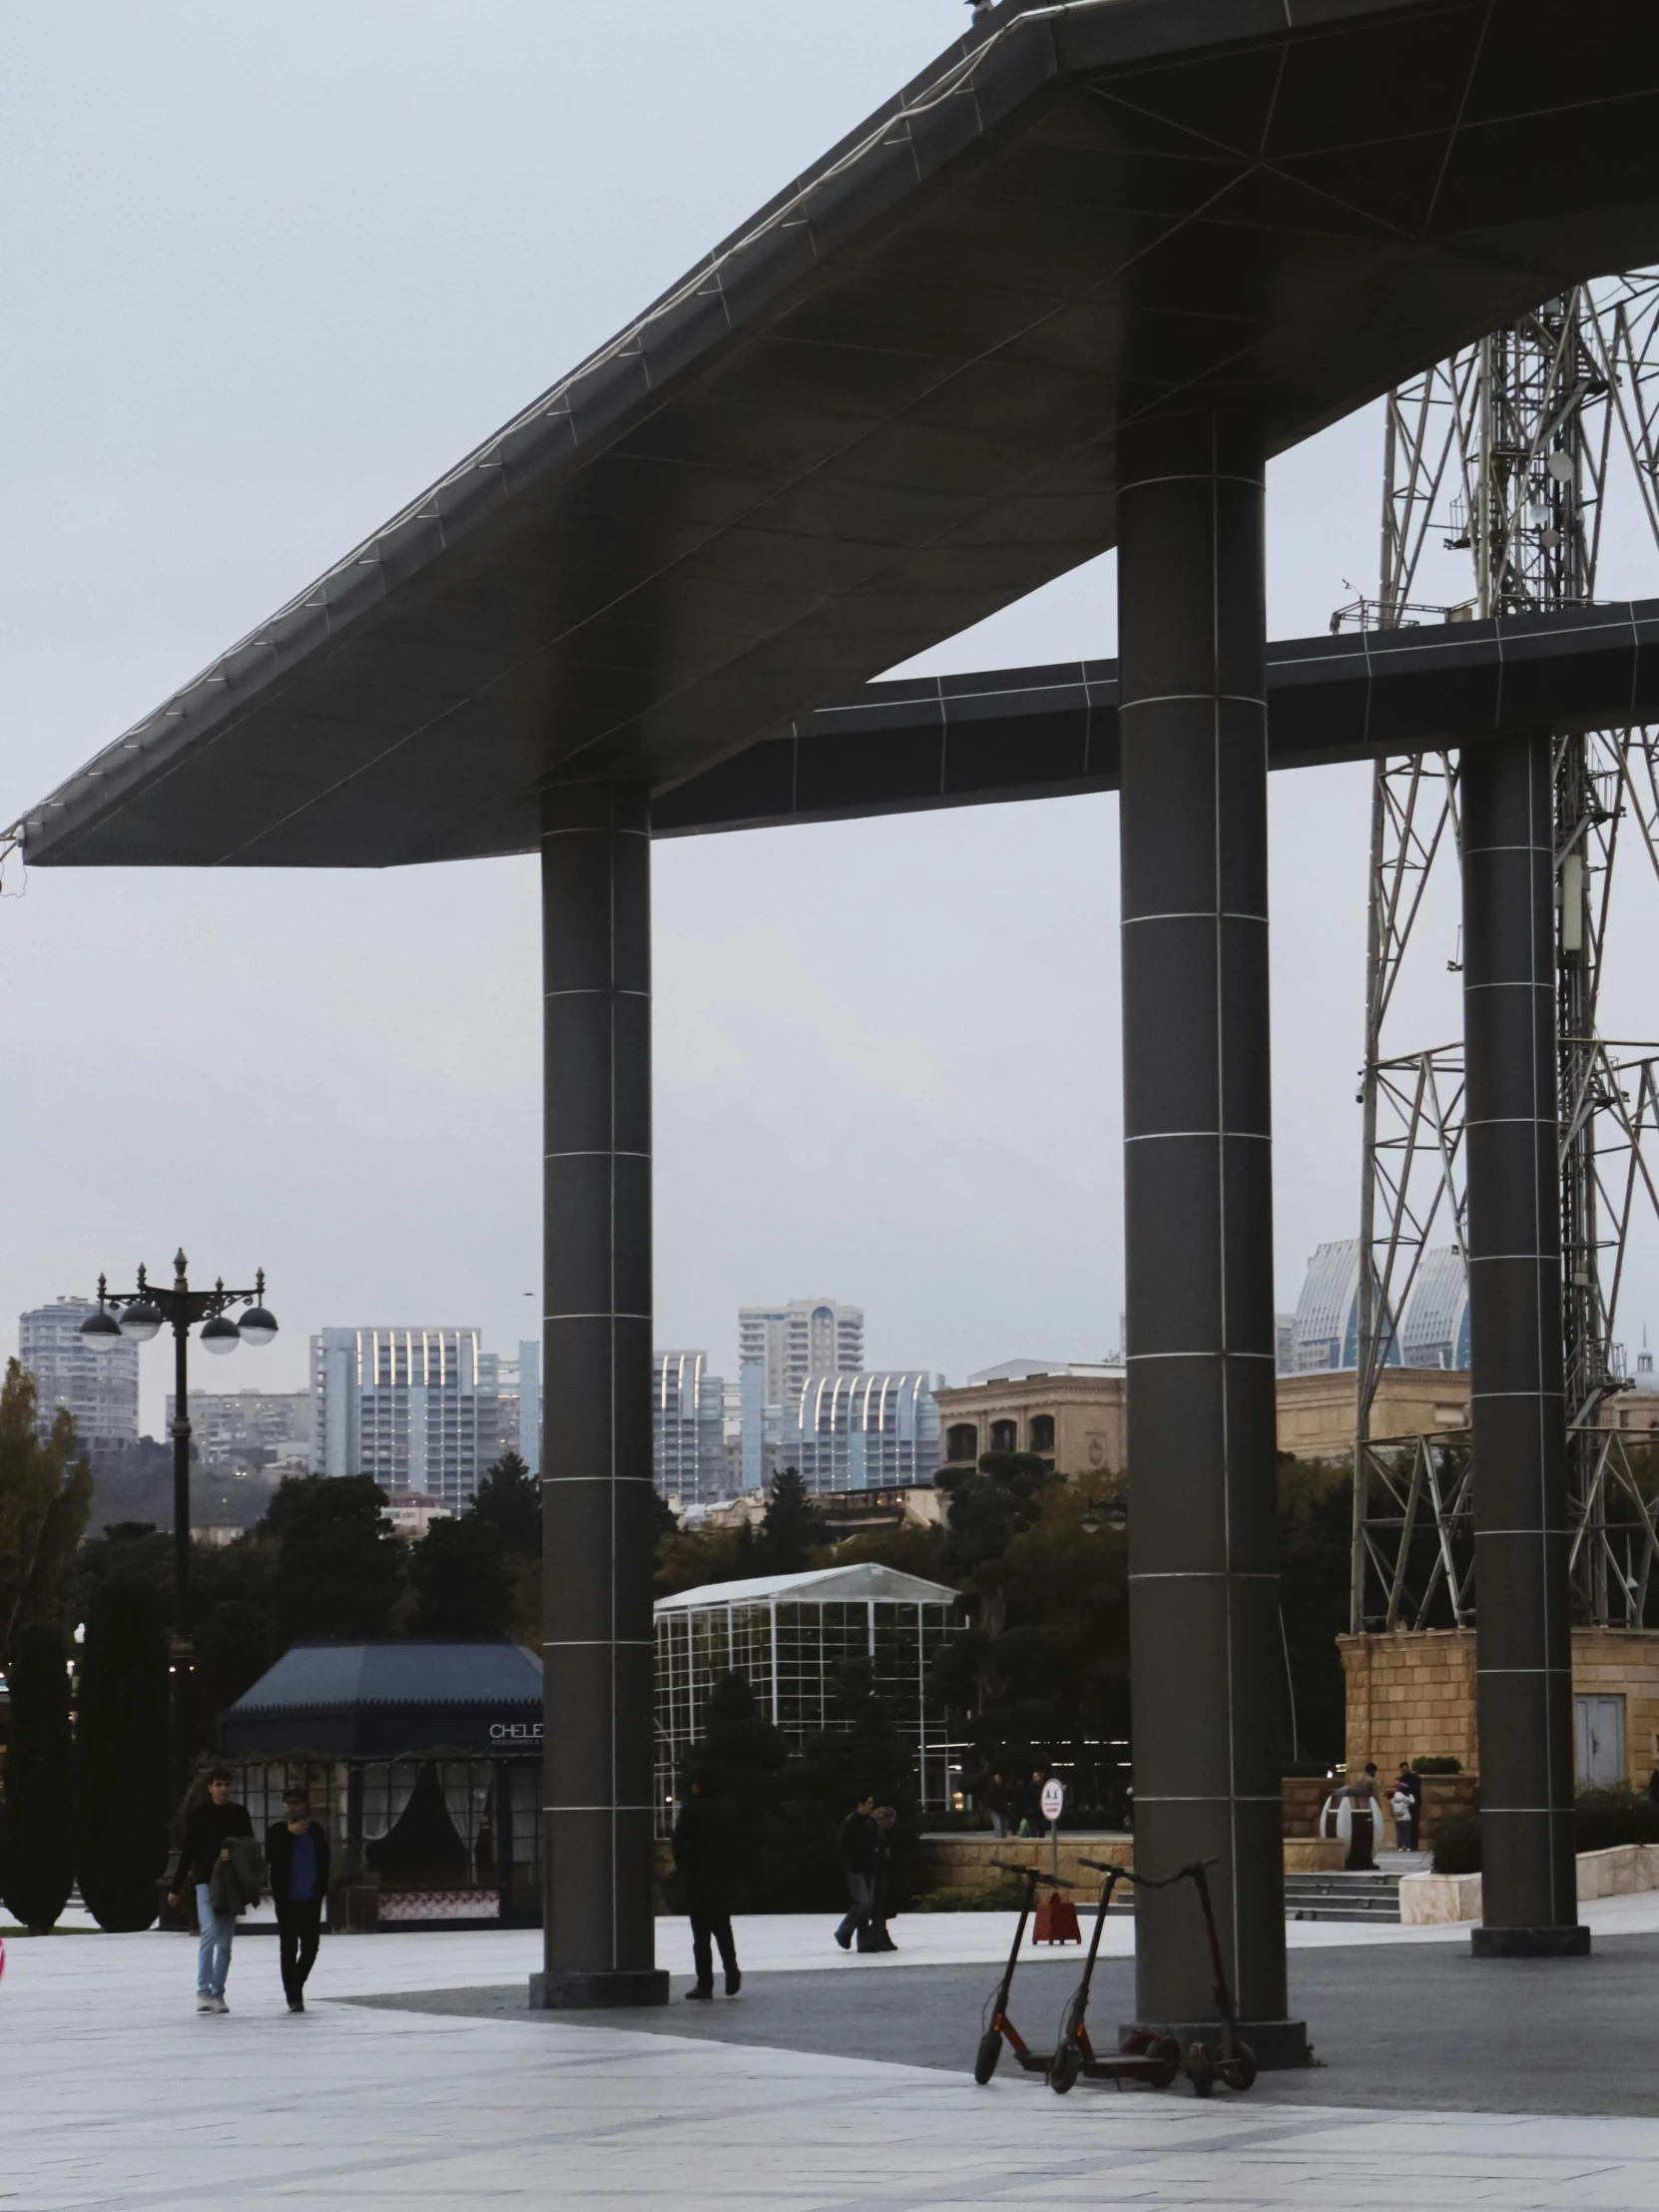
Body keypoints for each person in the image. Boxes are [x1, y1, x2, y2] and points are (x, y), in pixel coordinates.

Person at [168, 1766, 255, 2014]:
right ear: (210, 1787)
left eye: (227, 1785)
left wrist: (234, 1850)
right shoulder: (199, 1814)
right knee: (209, 1931)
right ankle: (203, 1991)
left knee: (225, 1942)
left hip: (230, 1884)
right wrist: (175, 1888)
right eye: (218, 1784)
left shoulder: (239, 1814)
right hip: (205, 1881)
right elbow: (188, 1852)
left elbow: (250, 1847)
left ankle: (218, 1993)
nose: (223, 1789)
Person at [673, 1774, 741, 1998]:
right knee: (723, 1926)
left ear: (698, 1784)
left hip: (698, 1877)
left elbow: (680, 1842)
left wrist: (684, 1869)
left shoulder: (691, 1809)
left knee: (700, 1933)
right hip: (723, 1877)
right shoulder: (729, 1807)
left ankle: (705, 1983)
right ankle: (731, 1970)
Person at [266, 1786, 331, 2013]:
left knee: (311, 1946)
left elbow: (324, 1859)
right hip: (287, 1899)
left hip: (310, 1897)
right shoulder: (276, 1831)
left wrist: (321, 1889)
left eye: (296, 1803)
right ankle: (293, 1996)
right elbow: (271, 1857)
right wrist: (289, 1835)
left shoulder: (315, 1831)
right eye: (288, 1803)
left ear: (304, 1806)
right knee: (289, 1946)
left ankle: (296, 1984)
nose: (292, 1807)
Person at [833, 1793, 879, 1951]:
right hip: (855, 1868)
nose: (871, 1805)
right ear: (859, 1804)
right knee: (862, 1902)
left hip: (869, 1867)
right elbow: (843, 1846)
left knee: (867, 1906)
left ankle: (864, 1942)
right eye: (869, 1802)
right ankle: (843, 1931)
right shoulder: (851, 1822)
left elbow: (876, 1841)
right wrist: (850, 1863)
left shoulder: (870, 1822)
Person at [863, 1805, 898, 1953]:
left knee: (882, 1906)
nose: (891, 1826)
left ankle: (880, 1934)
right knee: (877, 1906)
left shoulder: (882, 1835)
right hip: (874, 1872)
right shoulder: (874, 1835)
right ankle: (876, 1936)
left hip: (882, 1872)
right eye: (889, 1822)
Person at [1394, 1762, 1422, 1852]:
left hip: (1414, 1804)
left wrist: (1406, 1787)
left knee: (1414, 1824)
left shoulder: (1415, 1778)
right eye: (1402, 1770)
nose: (1403, 1771)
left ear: (1408, 1768)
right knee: (1405, 1826)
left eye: (1405, 1769)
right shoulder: (1401, 1779)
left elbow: (1416, 1790)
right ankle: (1406, 1844)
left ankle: (1414, 1845)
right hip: (1404, 1805)